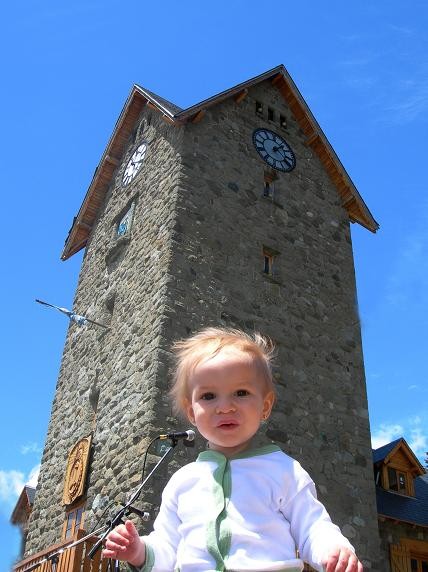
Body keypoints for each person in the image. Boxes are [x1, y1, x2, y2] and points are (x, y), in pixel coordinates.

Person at [102, 327, 363, 572]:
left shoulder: (284, 470)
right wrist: (139, 551)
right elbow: (167, 546)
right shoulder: (183, 481)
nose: (225, 407)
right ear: (192, 412)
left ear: (265, 406)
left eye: (240, 392)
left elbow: (312, 525)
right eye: (208, 396)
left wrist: (333, 549)